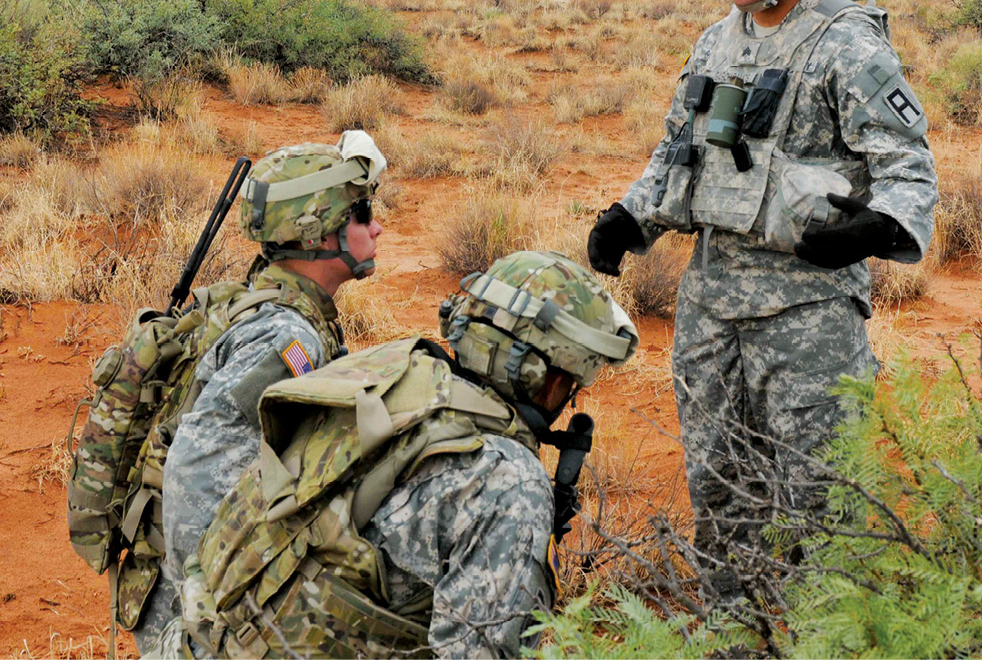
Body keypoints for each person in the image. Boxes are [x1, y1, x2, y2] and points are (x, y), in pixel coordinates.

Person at [588, 0, 938, 600]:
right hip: (712, 306)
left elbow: (905, 162)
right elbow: (679, 151)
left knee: (819, 497)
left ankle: (821, 635)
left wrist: (872, 228)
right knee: (719, 488)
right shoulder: (717, 42)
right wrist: (630, 216)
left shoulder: (846, 45)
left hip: (805, 314)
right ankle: (734, 633)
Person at [161, 250, 638, 659]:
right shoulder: (508, 483)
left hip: (195, 636)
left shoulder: (388, 371)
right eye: (574, 382)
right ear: (550, 378)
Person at [133, 131, 387, 654]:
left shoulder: (273, 301)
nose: (376, 227)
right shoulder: (287, 337)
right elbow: (199, 468)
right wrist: (209, 618)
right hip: (193, 606)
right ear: (318, 231)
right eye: (361, 216)